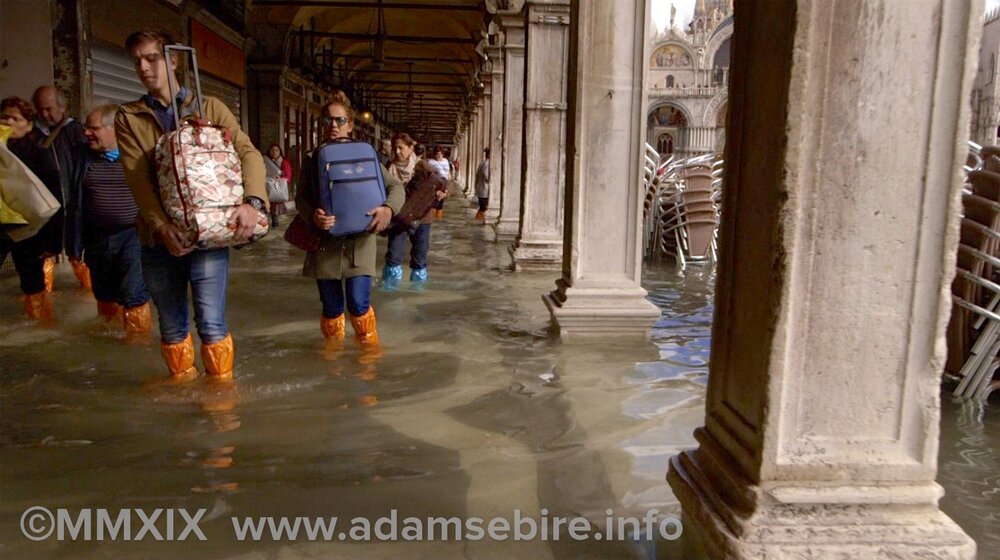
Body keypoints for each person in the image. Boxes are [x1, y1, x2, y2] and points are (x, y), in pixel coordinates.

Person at [115, 28, 268, 382]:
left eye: (152, 58)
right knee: (170, 325)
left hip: (209, 234)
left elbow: (247, 152)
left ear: (173, 59)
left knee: (211, 322)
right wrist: (160, 227)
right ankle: (183, 395)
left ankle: (220, 406)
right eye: (137, 60)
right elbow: (138, 178)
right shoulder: (129, 117)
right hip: (158, 240)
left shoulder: (210, 106)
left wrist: (252, 202)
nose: (144, 67)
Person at [295, 92, 403, 349]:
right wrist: (312, 215)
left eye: (339, 120)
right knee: (331, 307)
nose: (333, 126)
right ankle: (334, 360)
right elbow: (301, 198)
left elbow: (396, 187)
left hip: (361, 242)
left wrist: (387, 210)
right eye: (327, 121)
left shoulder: (367, 156)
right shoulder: (313, 158)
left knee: (358, 302)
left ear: (350, 125)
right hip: (325, 243)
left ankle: (368, 358)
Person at [66, 101, 152, 340]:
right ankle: (109, 341)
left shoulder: (138, 154)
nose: (86, 133)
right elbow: (75, 202)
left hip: (134, 235)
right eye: (86, 127)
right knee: (103, 294)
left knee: (133, 293)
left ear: (114, 129)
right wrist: (73, 244)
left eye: (93, 128)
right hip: (97, 237)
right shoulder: (82, 156)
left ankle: (137, 346)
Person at [0, 97, 62, 321]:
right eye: (4, 117)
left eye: (15, 118)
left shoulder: (39, 155)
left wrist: (52, 241)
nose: (8, 122)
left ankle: (40, 323)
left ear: (28, 124)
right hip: (2, 227)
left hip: (29, 230)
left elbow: (54, 200)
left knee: (32, 280)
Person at [33, 85, 90, 291]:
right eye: (40, 109)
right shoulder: (33, 133)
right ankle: (42, 302)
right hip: (45, 205)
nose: (44, 114)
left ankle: (89, 294)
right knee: (45, 254)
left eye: (49, 109)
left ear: (62, 107)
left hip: (73, 203)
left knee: (78, 252)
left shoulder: (76, 131)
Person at [381, 132, 447, 288]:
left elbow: (444, 183)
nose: (397, 152)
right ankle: (389, 290)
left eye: (401, 148)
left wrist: (443, 193)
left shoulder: (423, 166)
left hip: (422, 219)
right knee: (393, 256)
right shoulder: (387, 168)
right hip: (398, 218)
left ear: (411, 148)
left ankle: (417, 290)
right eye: (394, 148)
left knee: (419, 258)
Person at [265, 144, 292, 228]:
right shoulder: (265, 161)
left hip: (277, 188)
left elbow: (288, 177)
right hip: (266, 186)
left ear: (280, 152)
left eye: (277, 150)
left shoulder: (284, 163)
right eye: (272, 150)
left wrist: (279, 178)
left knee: (275, 208)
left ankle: (275, 224)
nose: (274, 152)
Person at [474, 147, 490, 222]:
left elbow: (477, 175)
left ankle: (480, 220)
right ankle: (480, 221)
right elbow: (486, 175)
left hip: (480, 188)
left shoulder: (482, 163)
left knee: (482, 207)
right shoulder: (488, 163)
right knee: (483, 208)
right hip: (485, 189)